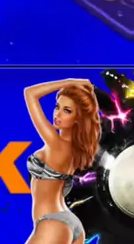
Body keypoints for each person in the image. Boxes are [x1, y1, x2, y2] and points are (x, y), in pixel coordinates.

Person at [24, 78, 101, 243]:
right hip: (68, 223)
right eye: (57, 106)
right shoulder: (75, 149)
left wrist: (69, 82)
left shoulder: (57, 145)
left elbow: (30, 93)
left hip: (53, 223)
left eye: (67, 111)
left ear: (78, 118)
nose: (57, 114)